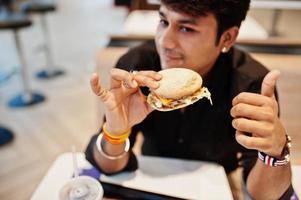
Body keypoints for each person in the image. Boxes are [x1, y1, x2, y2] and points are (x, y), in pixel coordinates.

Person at [85, 0, 295, 199]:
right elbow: (110, 168)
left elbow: (263, 196)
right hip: (152, 180)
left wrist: (275, 152)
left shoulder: (250, 84)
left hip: (217, 186)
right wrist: (116, 133)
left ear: (227, 38)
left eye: (186, 29)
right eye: (164, 21)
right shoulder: (137, 66)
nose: (164, 41)